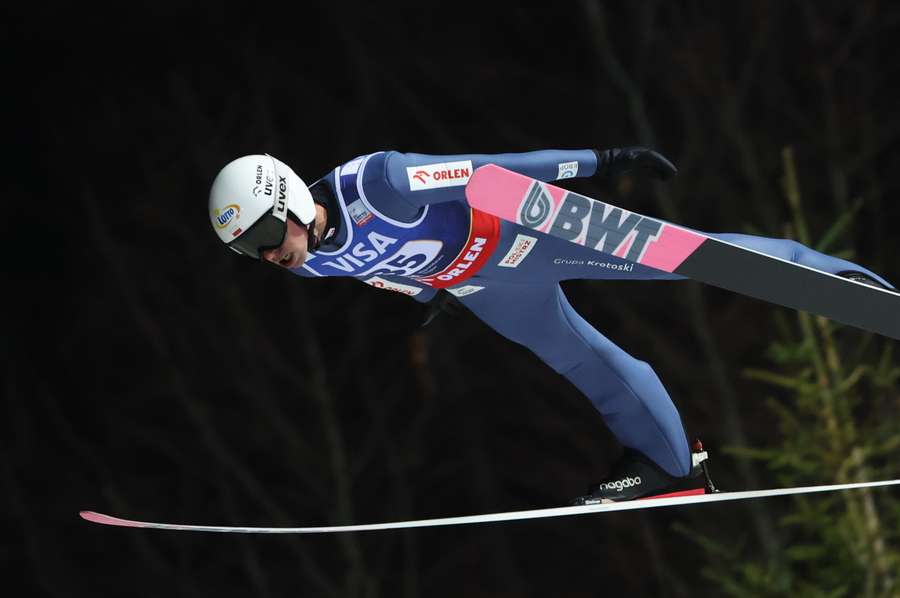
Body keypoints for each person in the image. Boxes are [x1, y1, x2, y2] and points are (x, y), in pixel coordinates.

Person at [208, 148, 893, 504]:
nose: (269, 254)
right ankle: (670, 463)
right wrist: (430, 294)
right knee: (580, 358)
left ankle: (839, 281)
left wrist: (602, 161)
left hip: (521, 230)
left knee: (687, 257)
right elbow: (380, 268)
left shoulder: (379, 183)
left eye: (267, 234)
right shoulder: (304, 265)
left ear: (290, 199)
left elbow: (490, 173)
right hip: (480, 281)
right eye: (249, 252)